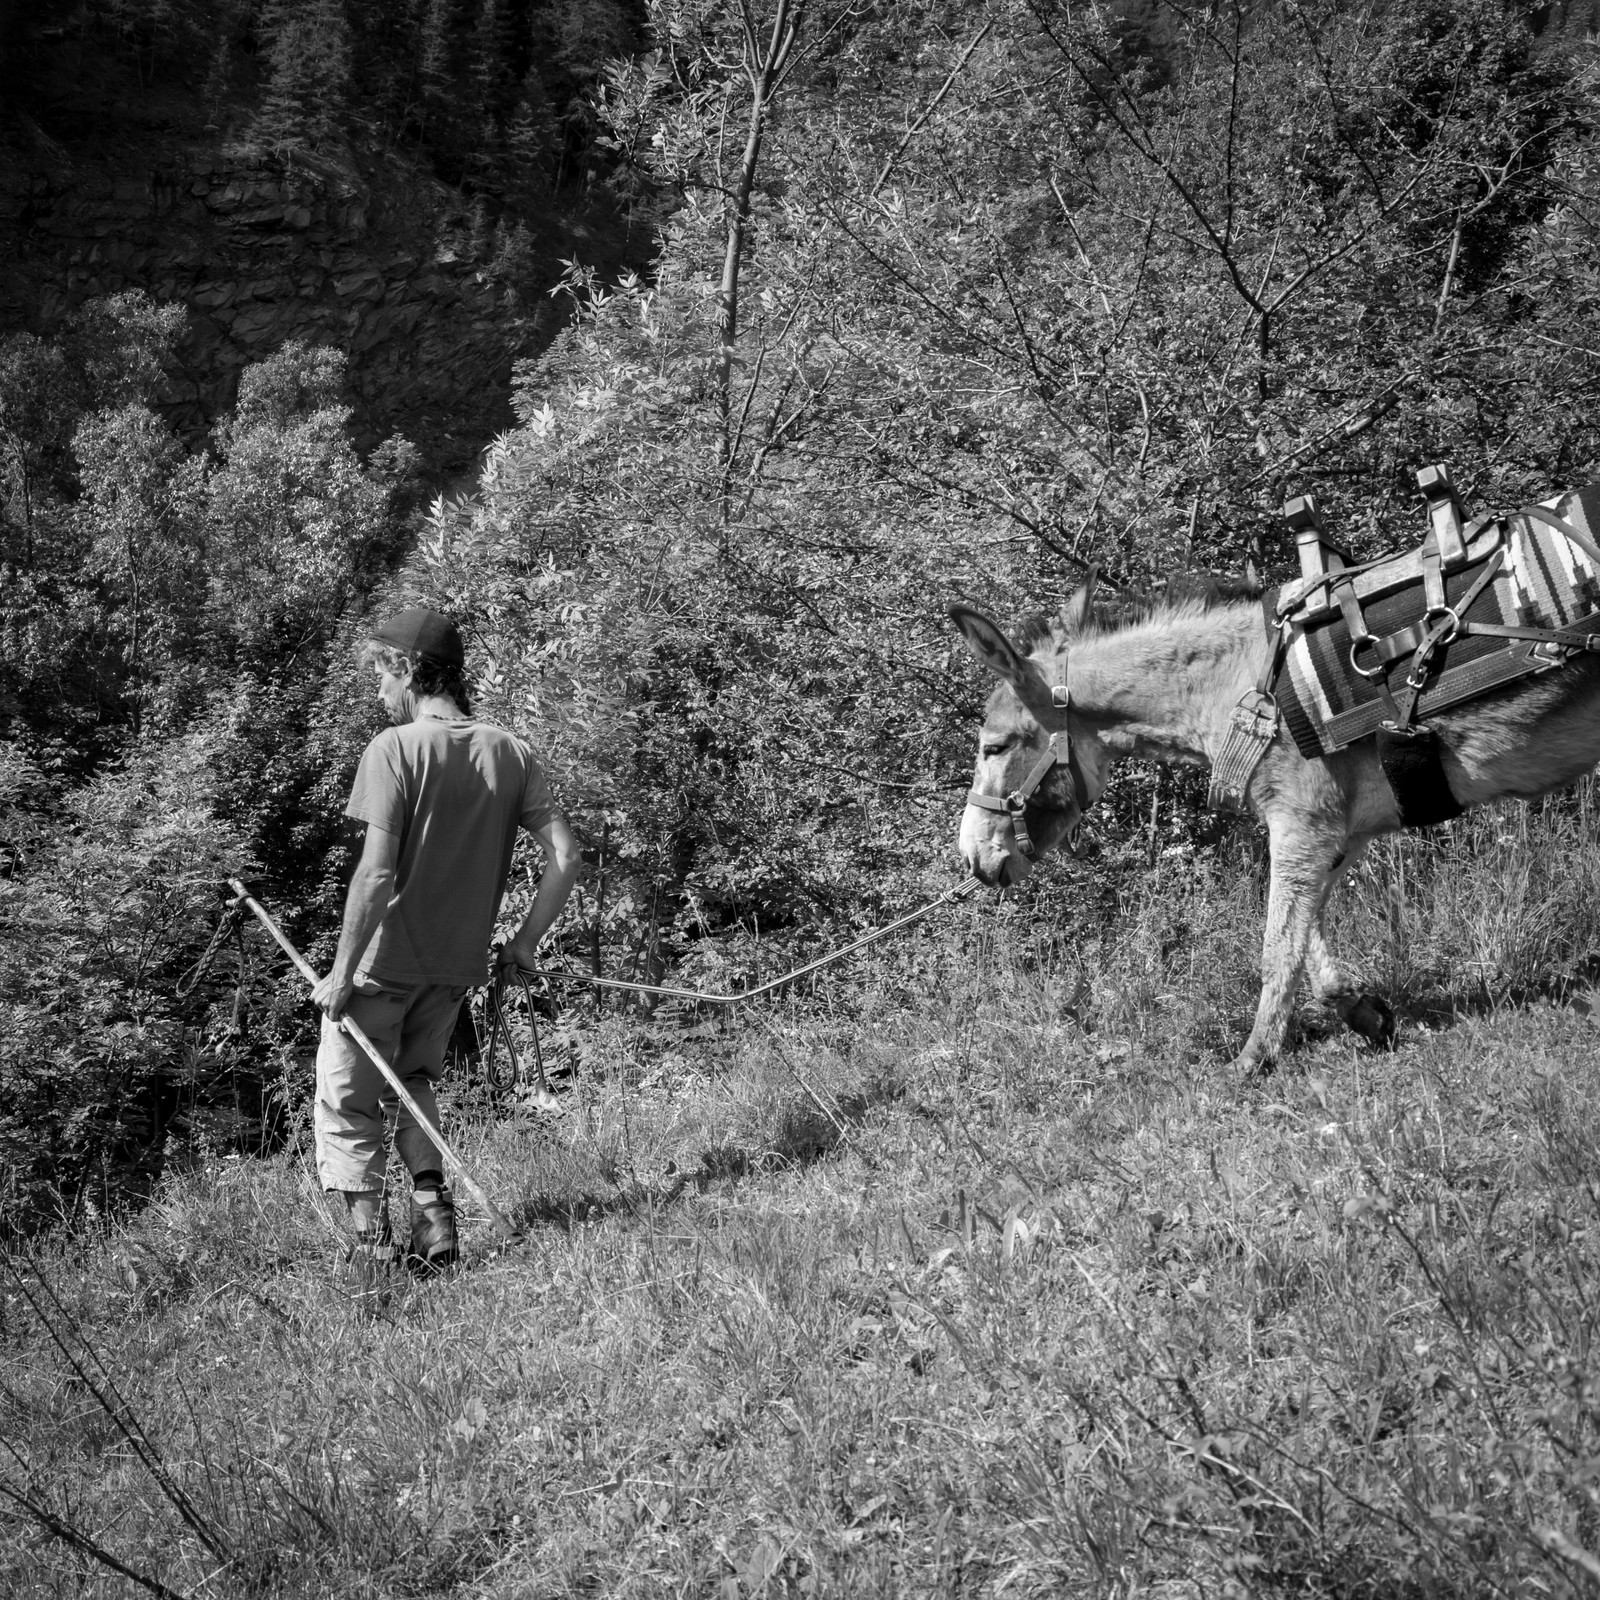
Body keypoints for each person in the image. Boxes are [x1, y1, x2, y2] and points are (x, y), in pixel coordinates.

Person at [310, 607, 581, 1271]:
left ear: (406, 668)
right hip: (456, 968)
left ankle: (369, 1254)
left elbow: (375, 876)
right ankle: (436, 1223)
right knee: (413, 1080)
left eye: (381, 673)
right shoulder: (510, 752)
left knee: (347, 1099)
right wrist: (523, 944)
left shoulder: (393, 751)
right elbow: (567, 858)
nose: (379, 691)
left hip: (384, 965)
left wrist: (342, 974)